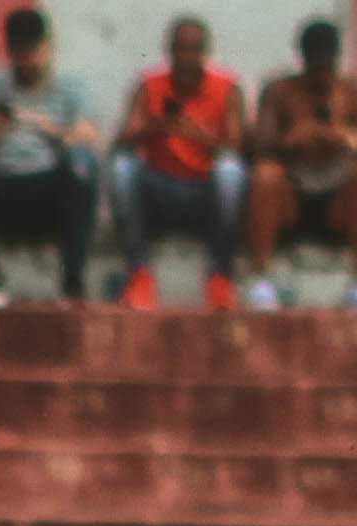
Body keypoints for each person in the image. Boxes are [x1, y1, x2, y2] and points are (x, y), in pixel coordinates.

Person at [0, 6, 97, 307]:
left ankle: (72, 277)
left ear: (48, 46)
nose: (26, 61)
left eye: (32, 51)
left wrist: (44, 125)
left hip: (48, 186)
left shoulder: (71, 86)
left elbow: (88, 135)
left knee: (83, 163)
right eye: (18, 52)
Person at [241, 17, 357, 311]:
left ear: (337, 60)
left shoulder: (354, 93)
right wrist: (290, 140)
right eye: (315, 66)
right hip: (292, 198)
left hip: (338, 203)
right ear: (302, 59)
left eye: (326, 66)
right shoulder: (280, 92)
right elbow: (255, 150)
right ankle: (261, 280)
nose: (321, 76)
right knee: (265, 176)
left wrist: (347, 138)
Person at [110, 12, 247, 310]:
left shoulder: (226, 87)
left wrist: (200, 136)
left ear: (205, 52)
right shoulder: (150, 85)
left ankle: (220, 278)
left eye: (193, 49)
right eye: (180, 49)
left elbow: (238, 146)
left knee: (231, 172)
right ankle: (139, 275)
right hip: (159, 188)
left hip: (203, 190)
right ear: (169, 51)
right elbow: (120, 141)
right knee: (122, 169)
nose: (186, 57)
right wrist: (155, 127)